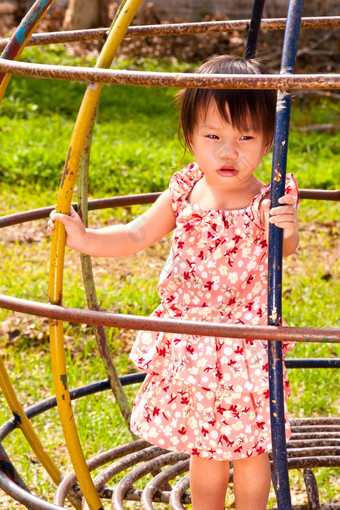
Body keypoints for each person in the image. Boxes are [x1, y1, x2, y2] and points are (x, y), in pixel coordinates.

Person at [48, 55, 299, 510]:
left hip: (244, 344)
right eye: (213, 136)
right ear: (190, 139)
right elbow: (137, 233)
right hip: (193, 341)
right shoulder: (184, 189)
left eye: (245, 137)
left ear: (269, 143)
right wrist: (86, 239)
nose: (228, 151)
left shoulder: (268, 199)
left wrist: (284, 225)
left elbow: (285, 249)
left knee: (250, 452)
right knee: (204, 451)